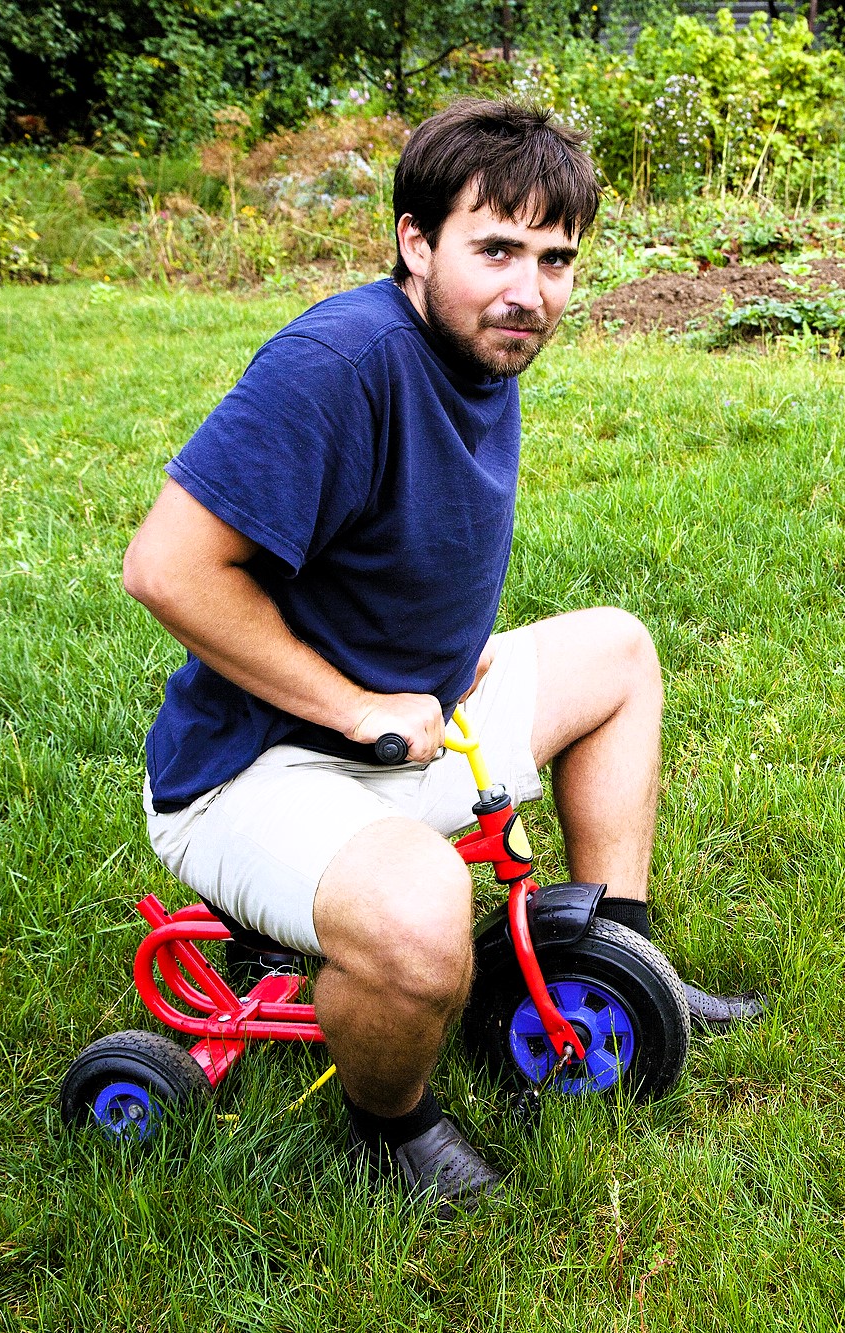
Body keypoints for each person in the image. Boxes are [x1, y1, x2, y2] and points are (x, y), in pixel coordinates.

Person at [120, 100, 761, 1213]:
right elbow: (166, 568)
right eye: (497, 248)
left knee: (615, 651)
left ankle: (614, 959)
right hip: (257, 770)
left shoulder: (477, 349)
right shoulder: (340, 359)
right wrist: (355, 699)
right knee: (422, 921)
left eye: (556, 259)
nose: (530, 290)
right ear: (415, 243)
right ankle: (388, 1125)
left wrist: (424, 665)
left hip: (411, 715)